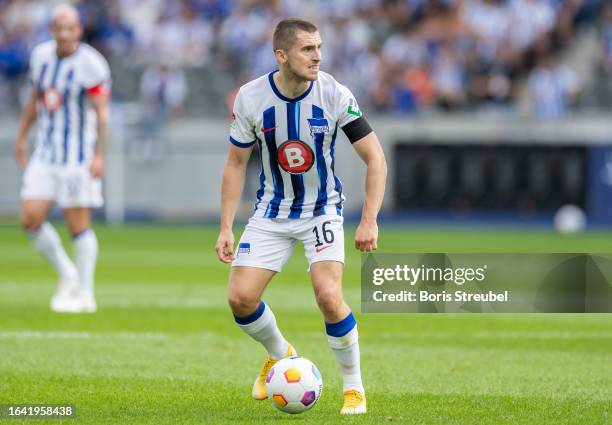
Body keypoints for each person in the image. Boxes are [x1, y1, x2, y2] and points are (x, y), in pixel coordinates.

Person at [215, 18, 387, 415]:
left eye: (319, 48)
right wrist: (226, 225)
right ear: (282, 55)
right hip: (272, 210)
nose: (318, 57)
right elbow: (235, 164)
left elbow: (375, 157)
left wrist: (369, 218)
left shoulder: (333, 93)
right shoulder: (251, 97)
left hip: (322, 209)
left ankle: (353, 388)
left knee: (329, 296)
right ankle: (280, 352)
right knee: (240, 298)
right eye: (308, 49)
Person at [14, 4, 111, 313]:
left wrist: (99, 155)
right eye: (60, 27)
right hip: (46, 150)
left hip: (77, 156)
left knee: (77, 225)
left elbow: (102, 113)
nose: (65, 32)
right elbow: (35, 99)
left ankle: (85, 294)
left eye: (71, 27)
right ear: (51, 30)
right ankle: (67, 272)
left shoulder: (92, 65)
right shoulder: (40, 56)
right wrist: (21, 136)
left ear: (79, 30)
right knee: (30, 218)